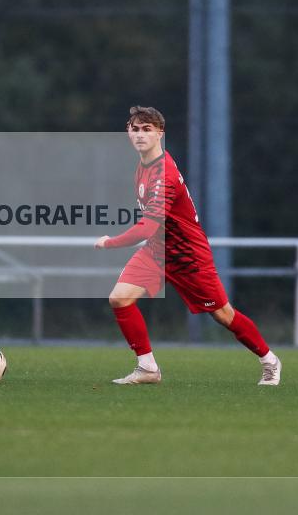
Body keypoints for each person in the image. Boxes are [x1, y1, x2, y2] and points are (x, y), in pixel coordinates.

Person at [95, 106, 281, 386]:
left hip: (188, 257)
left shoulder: (164, 173)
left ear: (160, 133)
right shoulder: (143, 166)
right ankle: (147, 368)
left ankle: (269, 360)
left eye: (148, 129)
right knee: (119, 298)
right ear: (127, 132)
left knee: (223, 315)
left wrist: (111, 243)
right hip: (158, 251)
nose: (140, 135)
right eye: (135, 129)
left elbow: (147, 226)